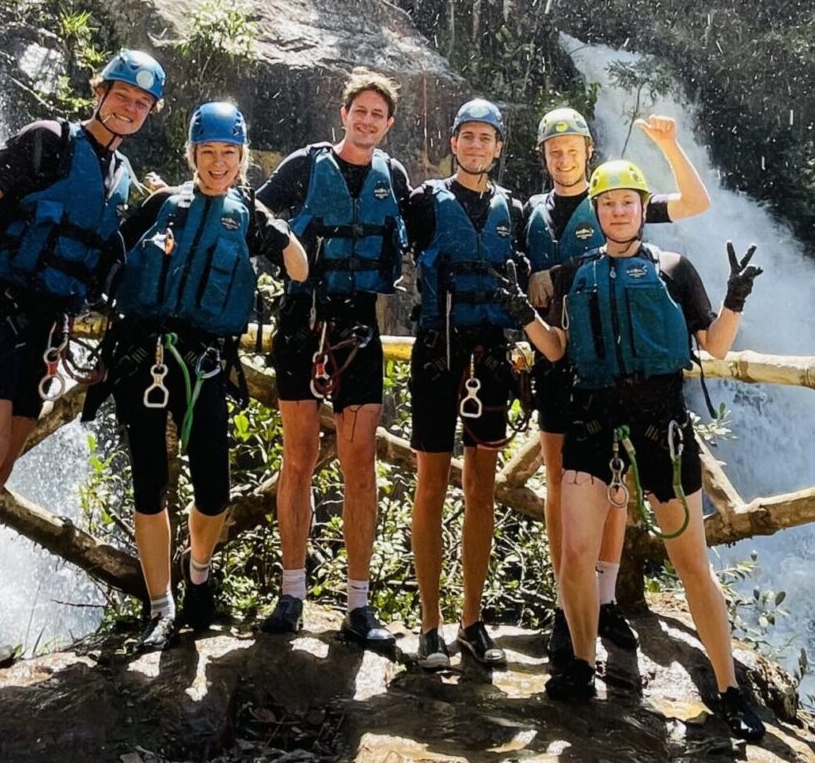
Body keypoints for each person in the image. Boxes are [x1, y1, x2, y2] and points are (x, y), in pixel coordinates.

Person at [0, 50, 166, 707]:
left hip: (46, 332)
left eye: (141, 103)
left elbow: (105, 260)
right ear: (101, 90)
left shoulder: (121, 177)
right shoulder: (46, 141)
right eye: (122, 94)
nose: (129, 107)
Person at [507, 159, 766, 741]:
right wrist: (523, 315)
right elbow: (557, 350)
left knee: (692, 562)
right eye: (608, 204)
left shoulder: (674, 269)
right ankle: (579, 662)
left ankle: (728, 688)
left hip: (659, 427)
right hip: (593, 423)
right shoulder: (578, 275)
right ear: (596, 213)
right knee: (575, 554)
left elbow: (716, 347)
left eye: (628, 203)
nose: (618, 212)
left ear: (642, 209)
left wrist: (735, 298)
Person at [82, 102, 308, 651]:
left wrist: (278, 232)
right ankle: (160, 606)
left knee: (213, 492)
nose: (218, 163)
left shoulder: (248, 216)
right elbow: (105, 258)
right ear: (192, 155)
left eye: (228, 154)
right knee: (149, 484)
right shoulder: (163, 205)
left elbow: (301, 270)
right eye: (207, 153)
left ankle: (198, 570)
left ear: (242, 158)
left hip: (206, 363)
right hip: (146, 358)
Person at [525, 109, 712, 668]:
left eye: (571, 147)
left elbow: (693, 204)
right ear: (544, 156)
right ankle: (569, 607)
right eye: (553, 149)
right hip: (557, 354)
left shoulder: (616, 200)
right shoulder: (528, 211)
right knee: (563, 484)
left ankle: (604, 602)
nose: (563, 157)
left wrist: (671, 146)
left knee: (617, 489)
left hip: (615, 370)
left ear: (587, 150)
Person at [255, 69, 410, 646]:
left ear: (388, 123)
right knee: (297, 457)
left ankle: (358, 605)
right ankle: (292, 593)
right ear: (343, 115)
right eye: (359, 111)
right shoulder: (303, 166)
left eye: (378, 114)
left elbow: (422, 234)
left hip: (360, 329)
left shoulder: (392, 177)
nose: (367, 121)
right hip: (302, 323)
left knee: (359, 463)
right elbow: (253, 216)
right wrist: (284, 248)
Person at [406, 98, 527, 669]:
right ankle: (430, 625)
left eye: (487, 138)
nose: (476, 146)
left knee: (481, 490)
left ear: (499, 148)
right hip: (438, 354)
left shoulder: (515, 211)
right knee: (430, 485)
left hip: (493, 359)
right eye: (467, 137)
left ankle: (471, 622)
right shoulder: (426, 203)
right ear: (453, 143)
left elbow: (532, 281)